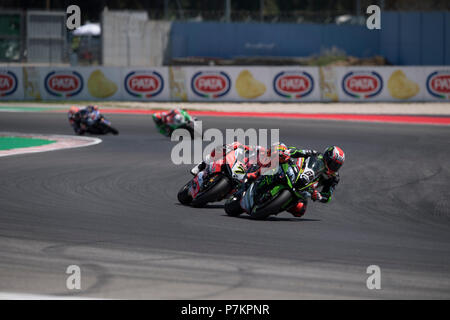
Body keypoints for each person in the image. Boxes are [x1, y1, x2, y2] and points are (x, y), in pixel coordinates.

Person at [240, 143, 345, 218]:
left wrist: (318, 195)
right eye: (333, 163)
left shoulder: (334, 178)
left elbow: (328, 196)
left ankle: (274, 205)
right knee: (279, 151)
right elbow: (296, 151)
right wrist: (286, 152)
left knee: (300, 211)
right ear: (327, 157)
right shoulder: (314, 154)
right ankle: (256, 172)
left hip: (306, 190)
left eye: (337, 165)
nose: (333, 167)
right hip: (294, 172)